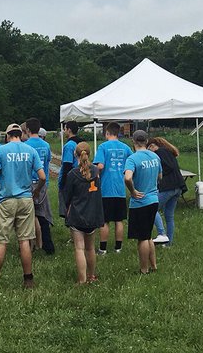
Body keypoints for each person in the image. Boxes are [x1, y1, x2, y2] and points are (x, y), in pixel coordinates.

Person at [0, 123, 45, 290]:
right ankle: (28, 280)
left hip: (6, 200)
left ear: (8, 135)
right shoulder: (30, 151)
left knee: (1, 242)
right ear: (20, 134)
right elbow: (43, 176)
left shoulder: (1, 151)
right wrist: (36, 191)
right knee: (24, 241)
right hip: (26, 200)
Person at [61, 141, 104, 284]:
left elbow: (67, 195)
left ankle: (82, 279)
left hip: (77, 214)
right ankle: (92, 276)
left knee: (79, 248)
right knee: (90, 247)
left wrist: (66, 208)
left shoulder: (72, 174)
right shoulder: (96, 172)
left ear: (76, 154)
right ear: (90, 154)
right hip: (92, 214)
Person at [124, 129, 162, 275]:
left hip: (140, 202)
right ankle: (154, 265)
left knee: (142, 238)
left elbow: (127, 178)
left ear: (133, 141)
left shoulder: (132, 159)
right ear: (147, 141)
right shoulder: (155, 156)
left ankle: (144, 269)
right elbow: (160, 176)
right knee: (148, 234)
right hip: (154, 200)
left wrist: (132, 191)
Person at [94, 122, 132, 256]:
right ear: (119, 133)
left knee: (104, 221)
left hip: (106, 189)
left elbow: (100, 166)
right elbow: (131, 164)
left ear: (107, 133)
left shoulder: (103, 146)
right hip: (120, 189)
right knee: (119, 220)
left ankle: (103, 249)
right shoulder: (126, 148)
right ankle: (118, 248)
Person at [22, 118, 55, 255]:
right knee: (43, 216)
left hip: (28, 184)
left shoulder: (25, 146)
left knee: (28, 217)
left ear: (28, 130)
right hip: (43, 184)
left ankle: (30, 245)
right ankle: (48, 246)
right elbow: (47, 161)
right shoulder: (46, 145)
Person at [149, 135, 186, 246]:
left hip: (168, 187)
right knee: (169, 215)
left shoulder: (160, 152)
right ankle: (169, 243)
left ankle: (162, 234)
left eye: (149, 148)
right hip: (178, 187)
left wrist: (158, 175)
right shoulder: (169, 152)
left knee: (152, 208)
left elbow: (168, 167)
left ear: (152, 146)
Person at [57, 122, 80, 215]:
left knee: (68, 207)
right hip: (79, 178)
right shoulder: (81, 143)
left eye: (65, 129)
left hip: (70, 180)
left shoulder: (69, 145)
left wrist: (63, 183)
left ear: (69, 130)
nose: (64, 131)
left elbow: (67, 165)